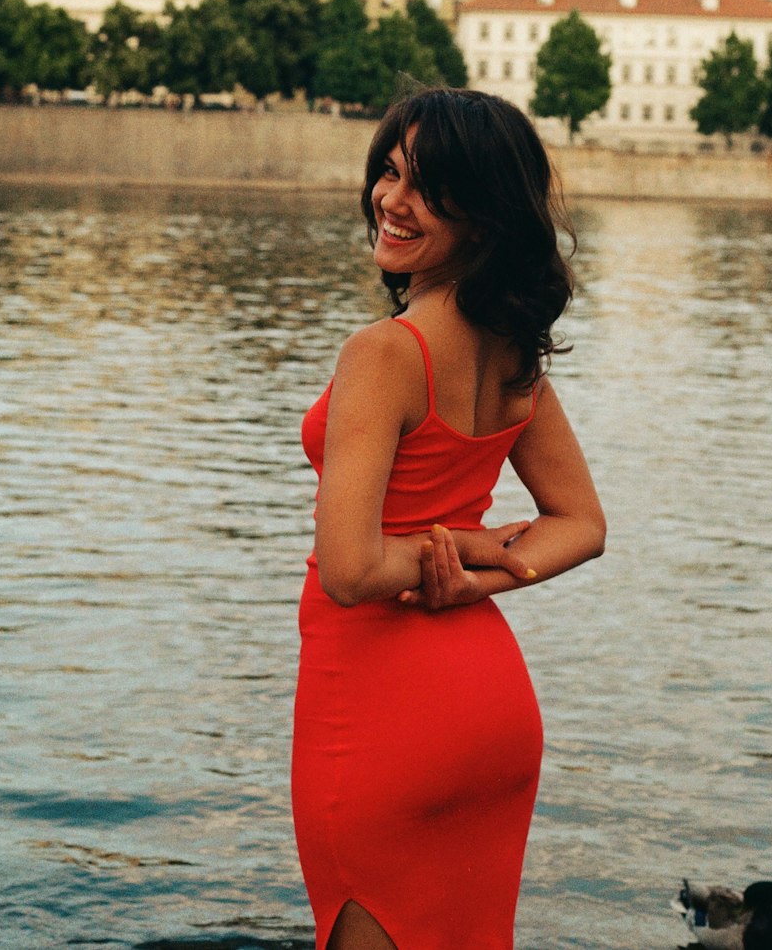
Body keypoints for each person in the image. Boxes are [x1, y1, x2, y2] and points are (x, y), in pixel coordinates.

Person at [291, 87, 606, 950]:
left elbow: (350, 571)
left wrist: (460, 556)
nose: (391, 200)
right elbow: (581, 523)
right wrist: (474, 569)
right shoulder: (511, 353)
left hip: (377, 710)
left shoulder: (385, 352)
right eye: (390, 172)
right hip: (490, 705)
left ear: (484, 214)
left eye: (426, 187)